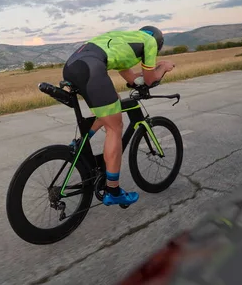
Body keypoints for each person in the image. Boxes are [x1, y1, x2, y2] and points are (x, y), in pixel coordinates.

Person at [62, 26, 175, 206]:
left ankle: (81, 142)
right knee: (115, 127)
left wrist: (141, 78)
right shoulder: (150, 42)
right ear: (159, 41)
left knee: (110, 108)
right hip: (91, 68)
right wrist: (163, 67)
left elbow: (133, 79)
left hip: (73, 65)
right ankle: (113, 191)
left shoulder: (125, 39)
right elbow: (149, 80)